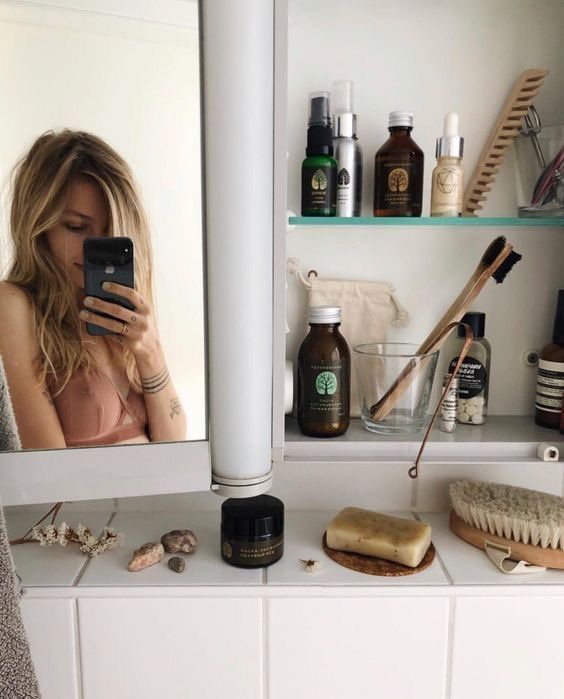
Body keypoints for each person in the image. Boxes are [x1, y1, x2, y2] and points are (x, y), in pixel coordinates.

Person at [0, 130, 186, 449]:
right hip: (87, 500)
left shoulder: (128, 311)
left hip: (153, 498)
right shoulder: (14, 304)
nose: (94, 248)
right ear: (37, 226)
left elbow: (172, 445)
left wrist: (150, 352)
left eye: (110, 231)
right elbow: (45, 465)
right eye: (76, 227)